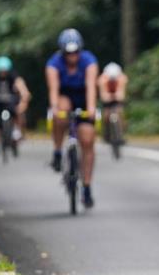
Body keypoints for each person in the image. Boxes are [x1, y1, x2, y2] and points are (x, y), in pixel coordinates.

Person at [46, 28, 99, 208]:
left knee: (87, 139)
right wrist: (54, 107)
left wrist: (91, 108)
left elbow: (91, 86)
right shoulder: (54, 63)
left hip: (84, 98)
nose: (72, 57)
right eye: (68, 53)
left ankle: (86, 185)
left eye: (75, 52)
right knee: (61, 110)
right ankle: (58, 150)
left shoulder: (89, 61)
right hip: (65, 97)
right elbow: (53, 89)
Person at [98, 62, 128, 144]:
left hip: (116, 99)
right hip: (107, 100)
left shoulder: (122, 78)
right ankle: (106, 133)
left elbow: (122, 94)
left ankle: (121, 134)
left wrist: (116, 96)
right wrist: (108, 97)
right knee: (106, 115)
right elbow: (103, 95)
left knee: (120, 113)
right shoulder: (102, 79)